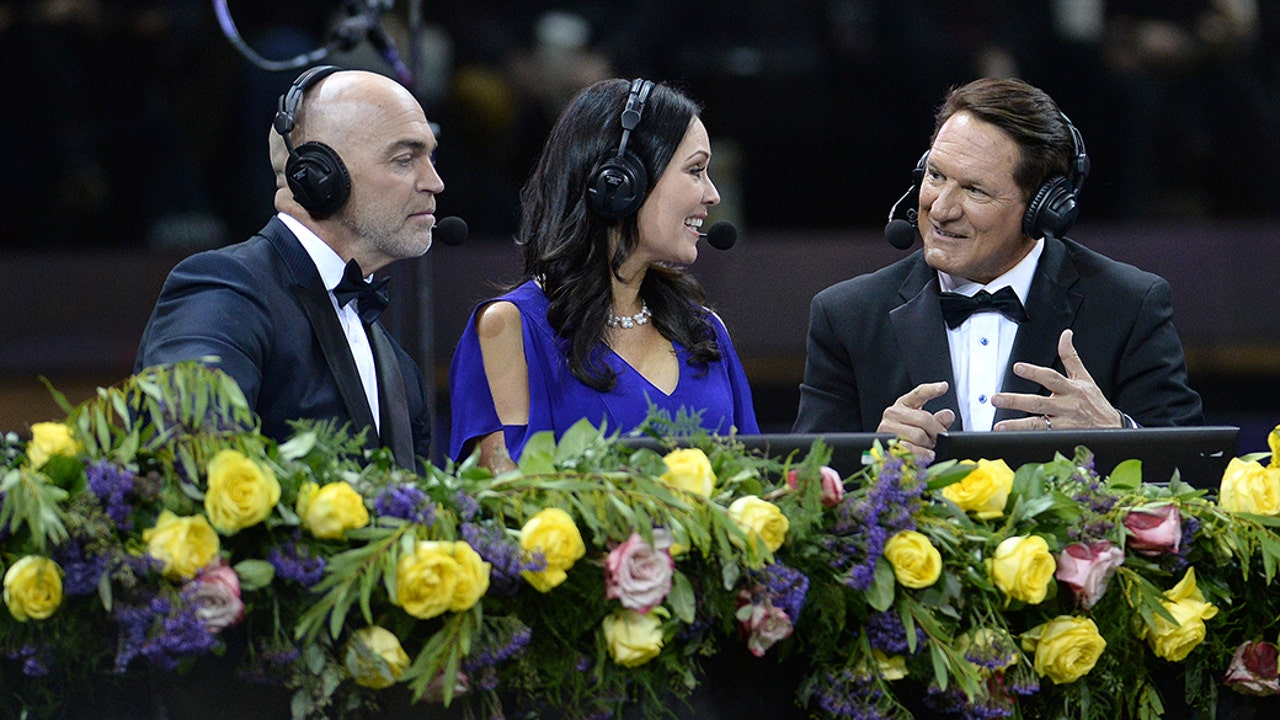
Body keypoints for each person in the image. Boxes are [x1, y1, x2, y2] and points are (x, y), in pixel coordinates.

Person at [794, 77, 1203, 459]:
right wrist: (870, 458)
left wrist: (1115, 431)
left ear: (1043, 209)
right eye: (936, 176)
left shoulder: (1127, 305)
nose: (941, 209)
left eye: (974, 190)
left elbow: (1196, 468)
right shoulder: (848, 315)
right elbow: (806, 485)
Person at [135, 66, 441, 470]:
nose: (434, 182)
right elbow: (186, 457)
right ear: (318, 174)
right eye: (404, 160)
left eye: (430, 157)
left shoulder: (397, 365)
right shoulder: (224, 290)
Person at [449, 77, 758, 472]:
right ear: (620, 181)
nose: (712, 194)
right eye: (695, 170)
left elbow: (754, 482)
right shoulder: (508, 328)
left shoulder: (705, 331)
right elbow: (504, 498)